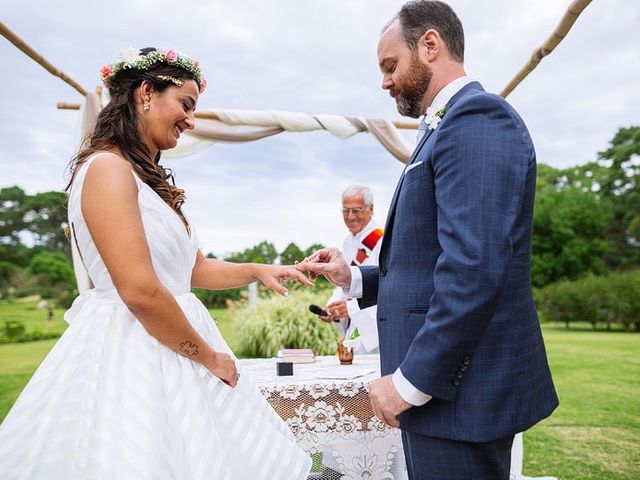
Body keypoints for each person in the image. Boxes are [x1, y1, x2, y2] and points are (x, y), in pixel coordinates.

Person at [0, 47, 311, 479]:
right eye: (185, 105)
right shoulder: (108, 170)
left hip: (171, 344)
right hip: (137, 351)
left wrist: (256, 270)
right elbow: (140, 291)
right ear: (146, 92)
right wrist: (209, 357)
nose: (190, 119)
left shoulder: (141, 178)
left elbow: (192, 270)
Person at [304, 2, 559, 479]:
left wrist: (410, 381)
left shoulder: (478, 119)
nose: (384, 82)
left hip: (462, 393)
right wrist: (354, 277)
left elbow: (475, 267)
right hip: (448, 398)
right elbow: (428, 264)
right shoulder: (440, 127)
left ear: (430, 45)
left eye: (389, 66)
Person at [319, 185, 382, 354]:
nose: (350, 216)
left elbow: (386, 285)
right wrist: (331, 308)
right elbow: (344, 282)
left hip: (371, 325)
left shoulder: (380, 239)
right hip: (354, 324)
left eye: (357, 210)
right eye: (345, 211)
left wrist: (351, 309)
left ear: (371, 209)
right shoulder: (348, 241)